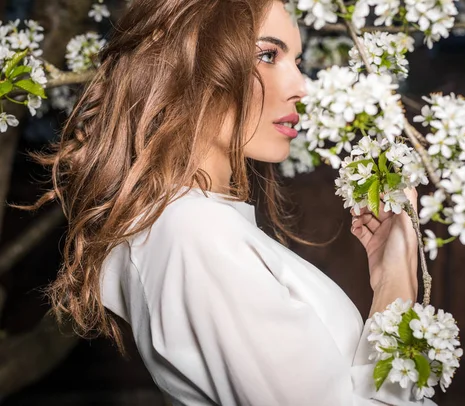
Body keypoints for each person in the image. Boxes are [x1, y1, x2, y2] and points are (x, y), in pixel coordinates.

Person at [19, 0, 432, 404]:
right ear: (191, 64)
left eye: (299, 62)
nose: (302, 88)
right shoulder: (192, 233)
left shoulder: (197, 225)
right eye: (268, 55)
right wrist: (398, 281)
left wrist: (390, 271)